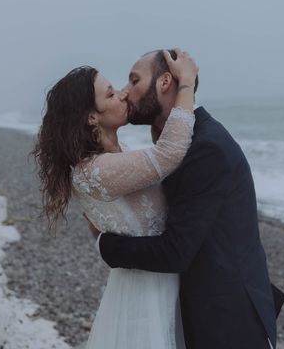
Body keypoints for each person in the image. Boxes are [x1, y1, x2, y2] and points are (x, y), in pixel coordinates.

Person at [92, 49, 284, 349]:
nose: (125, 91)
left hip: (229, 324)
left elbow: (176, 251)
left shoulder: (207, 148)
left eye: (134, 79)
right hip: (203, 313)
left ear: (165, 81)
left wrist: (106, 243)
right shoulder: (179, 143)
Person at [32, 49, 199, 349]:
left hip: (148, 286)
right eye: (110, 94)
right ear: (92, 117)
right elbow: (170, 154)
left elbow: (99, 230)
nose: (123, 94)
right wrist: (186, 82)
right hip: (147, 297)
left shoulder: (104, 164)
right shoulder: (97, 170)